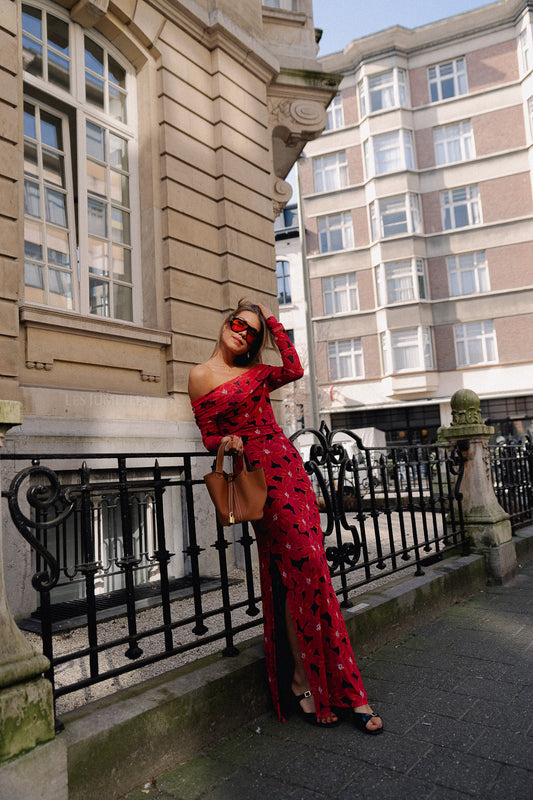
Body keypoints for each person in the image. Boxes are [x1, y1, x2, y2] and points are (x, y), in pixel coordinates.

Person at [188, 299, 383, 733]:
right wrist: (227, 443)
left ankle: (325, 684)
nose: (243, 333)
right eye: (239, 324)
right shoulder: (200, 375)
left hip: (289, 465)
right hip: (257, 474)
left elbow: (294, 367)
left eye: (252, 333)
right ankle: (322, 684)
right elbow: (207, 435)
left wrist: (271, 322)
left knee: (308, 575)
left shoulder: (258, 373)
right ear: (225, 323)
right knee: (306, 570)